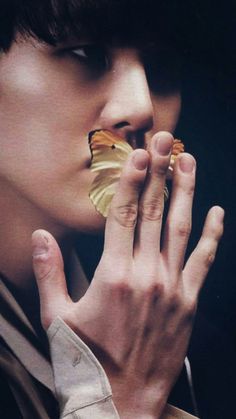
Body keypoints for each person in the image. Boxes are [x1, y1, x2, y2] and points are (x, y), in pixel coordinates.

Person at [0, 0, 224, 417]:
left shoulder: (188, 344)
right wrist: (118, 401)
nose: (141, 109)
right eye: (86, 53)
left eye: (160, 65)